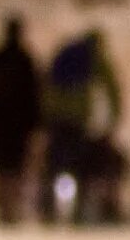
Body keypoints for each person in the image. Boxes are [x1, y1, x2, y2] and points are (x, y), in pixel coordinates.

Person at [40, 29, 124, 225]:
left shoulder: (63, 55)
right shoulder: (95, 59)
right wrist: (112, 120)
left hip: (56, 119)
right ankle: (78, 211)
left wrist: (46, 117)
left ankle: (48, 209)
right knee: (79, 167)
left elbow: (46, 87)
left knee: (54, 166)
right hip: (78, 119)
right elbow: (111, 90)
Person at [0, 15, 42, 225]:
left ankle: (6, 210)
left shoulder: (4, 60)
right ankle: (9, 210)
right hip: (12, 125)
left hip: (6, 125)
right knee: (11, 169)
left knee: (6, 169)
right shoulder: (23, 60)